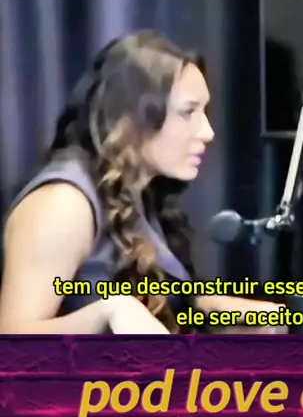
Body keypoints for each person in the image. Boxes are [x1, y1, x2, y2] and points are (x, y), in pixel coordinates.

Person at [0, 31, 281, 334]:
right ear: (128, 119)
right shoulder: (63, 204)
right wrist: (107, 313)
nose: (207, 132)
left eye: (204, 112)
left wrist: (211, 309)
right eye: (188, 112)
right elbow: (11, 338)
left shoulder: (138, 190)